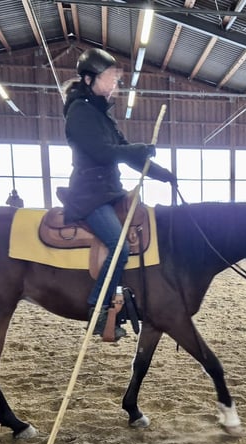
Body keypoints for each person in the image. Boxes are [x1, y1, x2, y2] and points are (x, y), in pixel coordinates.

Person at [61, 47, 176, 341]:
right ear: (89, 80)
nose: (114, 84)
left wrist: (162, 174)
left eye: (115, 79)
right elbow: (102, 153)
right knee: (119, 247)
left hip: (110, 192)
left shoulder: (102, 115)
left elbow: (128, 155)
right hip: (89, 196)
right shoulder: (80, 113)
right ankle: (97, 310)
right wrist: (136, 149)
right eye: (110, 78)